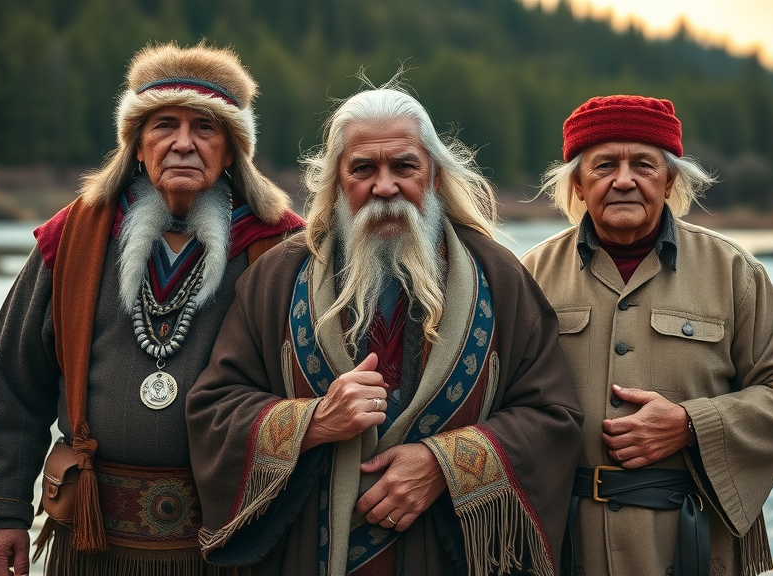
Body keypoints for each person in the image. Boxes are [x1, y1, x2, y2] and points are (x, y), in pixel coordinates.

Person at [185, 77, 584, 576]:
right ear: (336, 182)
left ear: (434, 176)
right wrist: (312, 421)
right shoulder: (276, 278)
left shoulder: (500, 278)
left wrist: (445, 465)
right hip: (308, 550)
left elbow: (553, 418)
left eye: (404, 166)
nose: (385, 187)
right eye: (363, 169)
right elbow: (214, 407)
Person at [0, 42, 304, 576]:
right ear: (137, 144)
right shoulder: (75, 238)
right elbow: (14, 381)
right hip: (92, 538)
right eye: (163, 125)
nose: (183, 144)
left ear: (232, 149)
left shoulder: (282, 249)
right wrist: (2, 510)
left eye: (205, 128)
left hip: (231, 544)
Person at [520, 95, 773, 576]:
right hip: (565, 547)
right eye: (604, 166)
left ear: (671, 179)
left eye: (643, 163)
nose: (624, 179)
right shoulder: (528, 276)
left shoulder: (732, 272)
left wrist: (689, 424)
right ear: (577, 184)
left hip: (693, 546)